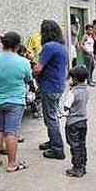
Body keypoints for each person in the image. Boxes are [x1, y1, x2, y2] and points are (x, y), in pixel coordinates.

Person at [0, 32, 33, 173]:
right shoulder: (23, 62)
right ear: (17, 46)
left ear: (3, 44)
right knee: (11, 132)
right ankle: (11, 164)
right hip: (15, 101)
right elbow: (28, 78)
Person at [34, 20, 68, 160]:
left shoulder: (49, 46)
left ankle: (57, 148)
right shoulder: (61, 46)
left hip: (49, 86)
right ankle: (53, 141)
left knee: (51, 117)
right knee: (51, 116)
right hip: (58, 85)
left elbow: (38, 68)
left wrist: (32, 69)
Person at [63, 66, 90, 178]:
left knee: (74, 145)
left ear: (74, 79)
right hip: (83, 121)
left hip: (73, 122)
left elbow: (66, 107)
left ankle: (77, 168)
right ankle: (83, 165)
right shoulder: (86, 90)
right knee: (82, 144)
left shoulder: (73, 92)